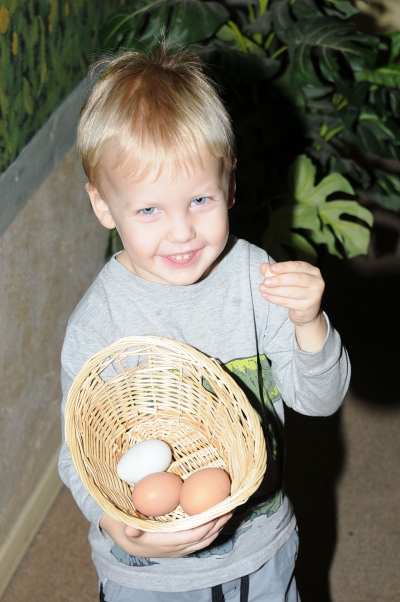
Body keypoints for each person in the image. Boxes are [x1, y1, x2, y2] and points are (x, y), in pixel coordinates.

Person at [58, 43, 350, 602]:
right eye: (149, 209)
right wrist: (116, 525)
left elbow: (320, 400)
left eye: (199, 199)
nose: (182, 232)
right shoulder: (102, 320)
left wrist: (311, 323)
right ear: (103, 206)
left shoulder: (255, 278)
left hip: (258, 547)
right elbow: (78, 452)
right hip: (146, 574)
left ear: (230, 185)